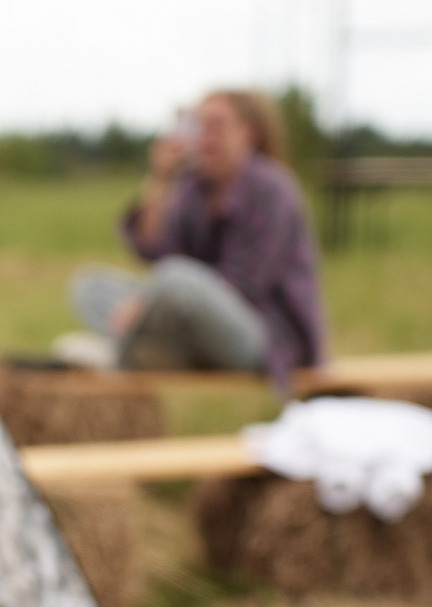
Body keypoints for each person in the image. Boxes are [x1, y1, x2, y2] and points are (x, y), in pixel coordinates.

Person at [65, 87, 328, 393]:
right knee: (88, 286)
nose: (204, 137)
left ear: (248, 134)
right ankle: (156, 353)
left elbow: (242, 284)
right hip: (193, 319)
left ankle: (122, 357)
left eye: (216, 126)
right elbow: (153, 252)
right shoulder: (194, 187)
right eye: (198, 126)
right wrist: (161, 179)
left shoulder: (272, 189)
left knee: (177, 279)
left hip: (263, 335)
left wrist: (148, 300)